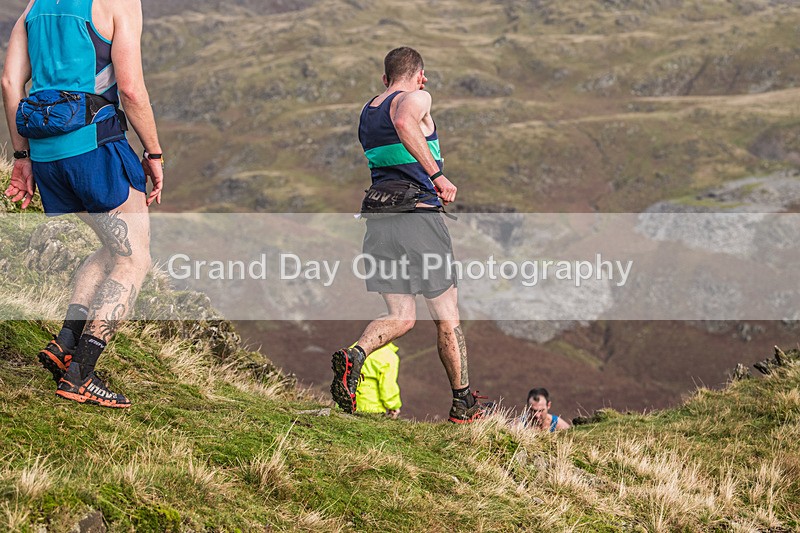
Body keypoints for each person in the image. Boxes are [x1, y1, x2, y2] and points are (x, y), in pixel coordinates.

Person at [2, 0, 164, 408]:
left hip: (45, 154)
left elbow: (9, 83)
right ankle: (81, 376)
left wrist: (22, 159)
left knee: (113, 246)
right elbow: (130, 89)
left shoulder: (34, 7)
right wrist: (154, 153)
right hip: (95, 145)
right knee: (134, 258)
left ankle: (65, 344)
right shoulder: (119, 3)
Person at [330, 46, 489, 423]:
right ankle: (463, 405)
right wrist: (437, 175)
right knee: (446, 315)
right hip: (418, 218)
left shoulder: (368, 110)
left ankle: (356, 356)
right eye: (424, 77)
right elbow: (403, 121)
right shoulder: (417, 97)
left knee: (400, 316)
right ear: (419, 75)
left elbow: (393, 125)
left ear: (384, 78)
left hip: (379, 220)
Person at [355, 342, 402, 419]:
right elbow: (388, 386)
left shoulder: (356, 347)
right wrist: (393, 406)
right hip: (371, 408)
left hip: (345, 403)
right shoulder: (389, 356)